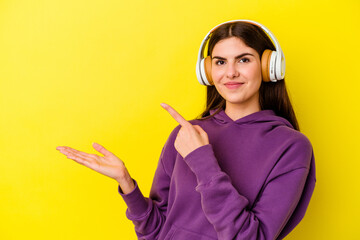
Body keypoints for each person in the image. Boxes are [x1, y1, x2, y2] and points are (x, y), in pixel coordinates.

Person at [56, 20, 316, 240]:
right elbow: (156, 231)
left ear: (268, 67)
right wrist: (127, 184)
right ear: (207, 71)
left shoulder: (291, 147)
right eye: (220, 62)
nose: (231, 73)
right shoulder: (187, 134)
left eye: (244, 60)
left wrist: (203, 161)